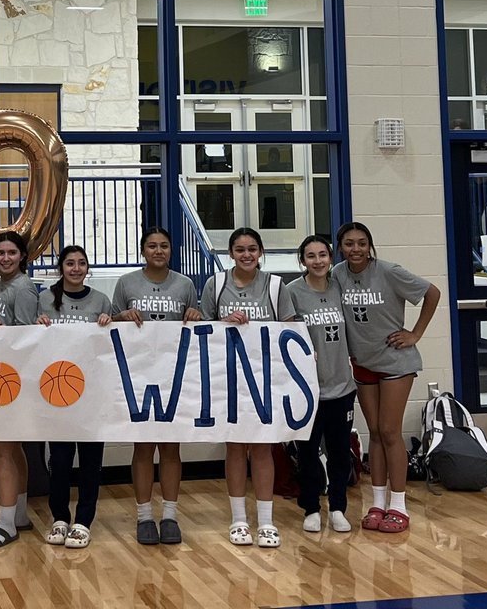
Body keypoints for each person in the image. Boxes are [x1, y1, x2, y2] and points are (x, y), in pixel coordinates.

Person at [332, 221, 441, 534]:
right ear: (341, 246)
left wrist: (415, 333)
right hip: (362, 363)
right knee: (375, 433)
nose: (356, 249)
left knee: (391, 432)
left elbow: (431, 292)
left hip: (395, 363)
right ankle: (377, 503)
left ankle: (399, 505)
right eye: (349, 243)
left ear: (370, 246)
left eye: (362, 243)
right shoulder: (337, 274)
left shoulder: (389, 271)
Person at [199, 227, 295, 548]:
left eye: (252, 249)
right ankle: (239, 519)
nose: (247, 255)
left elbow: (291, 329)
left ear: (261, 252)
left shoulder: (276, 285)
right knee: (235, 447)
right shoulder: (216, 284)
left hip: (265, 378)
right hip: (228, 377)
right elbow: (203, 329)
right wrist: (221, 324)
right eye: (240, 250)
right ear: (231, 254)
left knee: (263, 447)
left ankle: (266, 521)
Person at [111, 226, 200, 545]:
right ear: (143, 250)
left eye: (164, 245)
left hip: (174, 375)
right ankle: (145, 516)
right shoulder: (126, 283)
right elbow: (108, 325)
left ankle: (171, 515)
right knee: (143, 447)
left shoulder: (185, 284)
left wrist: (196, 313)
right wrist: (121, 316)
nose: (158, 250)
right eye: (152, 245)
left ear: (171, 250)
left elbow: (199, 320)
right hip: (138, 374)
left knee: (172, 447)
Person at [37, 245, 113, 549]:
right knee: (60, 460)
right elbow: (29, 341)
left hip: (92, 393)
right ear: (61, 268)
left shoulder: (101, 300)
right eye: (70, 263)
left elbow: (110, 345)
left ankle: (83, 520)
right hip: (57, 393)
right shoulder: (44, 299)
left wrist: (111, 323)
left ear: (88, 268)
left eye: (82, 263)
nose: (76, 268)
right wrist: (38, 326)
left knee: (91, 462)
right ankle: (59, 518)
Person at [287, 235, 356, 534]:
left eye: (323, 255)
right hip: (307, 388)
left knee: (340, 451)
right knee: (308, 452)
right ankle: (311, 507)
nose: (317, 261)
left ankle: (338, 506)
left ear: (331, 258)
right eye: (311, 256)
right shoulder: (292, 292)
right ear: (302, 260)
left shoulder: (340, 286)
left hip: (341, 386)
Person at [0, 229, 40, 548]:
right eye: (0, 253)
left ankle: (7, 526)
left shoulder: (24, 287)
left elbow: (27, 335)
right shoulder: (1, 283)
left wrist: (5, 330)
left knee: (1, 449)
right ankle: (18, 515)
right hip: (2, 372)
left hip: (13, 377)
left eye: (11, 254)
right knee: (13, 449)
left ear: (22, 257)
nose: (5, 258)